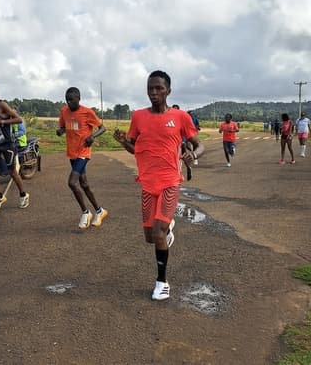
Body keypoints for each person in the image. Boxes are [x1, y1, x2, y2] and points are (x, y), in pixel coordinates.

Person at [113, 70, 205, 301]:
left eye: (159, 88)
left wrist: (193, 156)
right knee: (149, 237)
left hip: (170, 183)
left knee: (157, 233)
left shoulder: (181, 117)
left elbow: (199, 145)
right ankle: (167, 228)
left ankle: (162, 283)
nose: (154, 93)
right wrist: (124, 141)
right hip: (147, 183)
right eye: (150, 88)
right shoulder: (138, 117)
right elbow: (135, 148)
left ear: (168, 91)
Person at [57, 87, 108, 230]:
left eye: (72, 100)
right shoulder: (64, 111)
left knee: (72, 183)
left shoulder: (87, 112)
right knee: (84, 183)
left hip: (83, 152)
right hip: (72, 153)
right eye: (67, 100)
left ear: (79, 98)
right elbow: (63, 126)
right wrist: (60, 131)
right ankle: (100, 211)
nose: (69, 102)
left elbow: (102, 128)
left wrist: (92, 137)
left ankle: (86, 213)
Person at [0, 83, 30, 210]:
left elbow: (18, 119)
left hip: (7, 144)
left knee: (12, 172)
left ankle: (23, 195)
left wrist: (1, 121)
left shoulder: (2, 105)